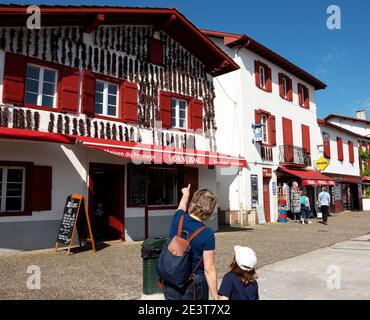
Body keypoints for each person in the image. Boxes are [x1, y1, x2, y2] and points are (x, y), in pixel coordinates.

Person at [163, 185, 219, 300]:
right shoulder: (207, 234)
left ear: (194, 202)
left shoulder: (179, 217)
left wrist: (186, 194)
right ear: (210, 210)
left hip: (170, 280)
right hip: (192, 284)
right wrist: (216, 296)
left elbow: (182, 205)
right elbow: (209, 269)